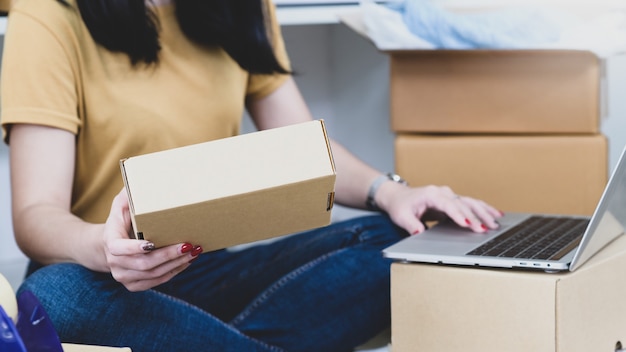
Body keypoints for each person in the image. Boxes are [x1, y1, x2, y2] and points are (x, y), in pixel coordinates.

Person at [0, 0, 502, 351]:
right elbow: (35, 216)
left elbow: (304, 148)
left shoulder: (239, 7)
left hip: (206, 269)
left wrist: (391, 192)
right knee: (54, 299)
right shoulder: (50, 14)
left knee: (399, 242)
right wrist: (105, 250)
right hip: (105, 279)